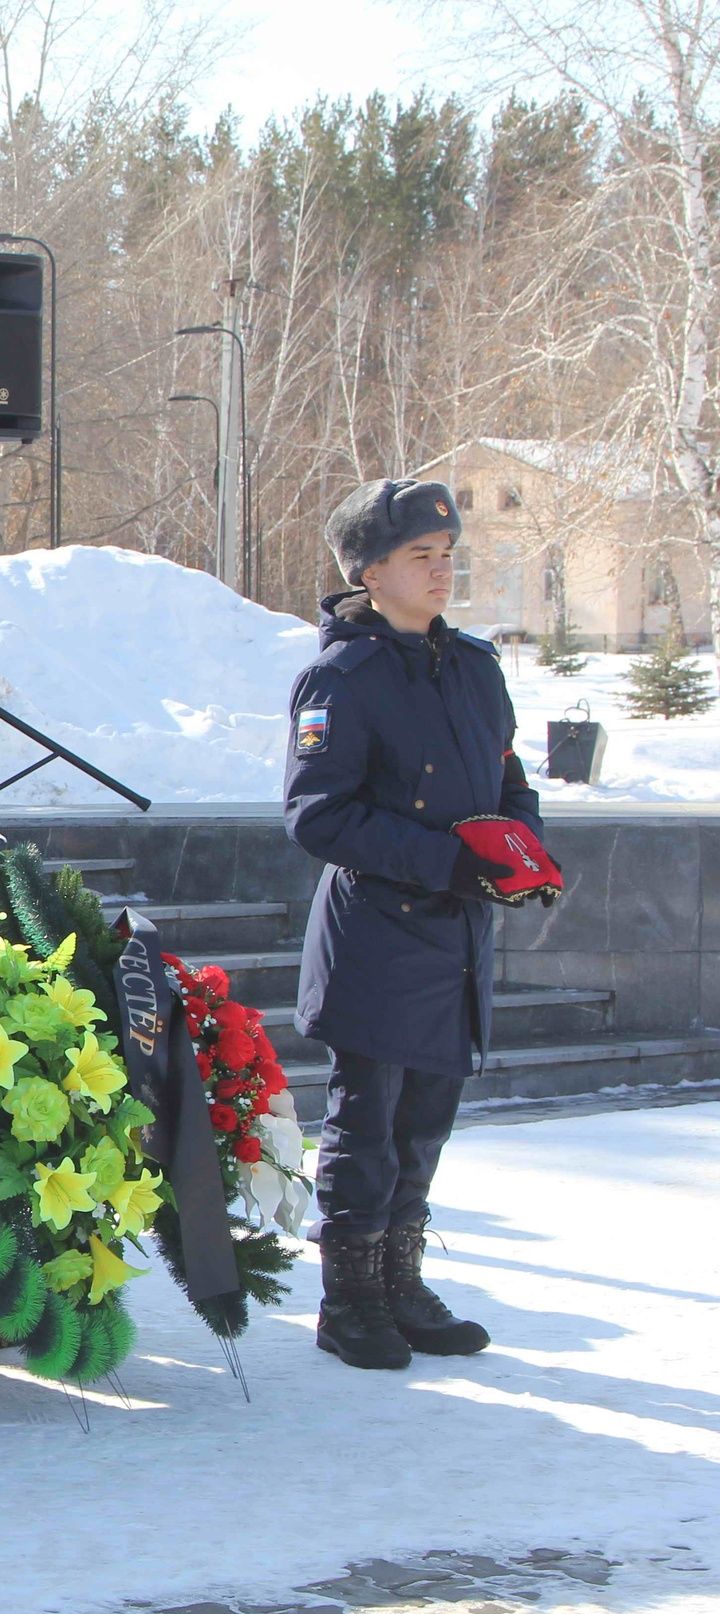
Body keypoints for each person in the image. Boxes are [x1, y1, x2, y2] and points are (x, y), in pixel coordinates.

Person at [287, 477, 542, 1373]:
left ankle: (401, 1282)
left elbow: (508, 781)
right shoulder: (340, 676)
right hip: (379, 932)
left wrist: (521, 854)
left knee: (426, 1119)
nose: (442, 570)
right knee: (367, 1123)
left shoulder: (473, 665)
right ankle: (350, 1299)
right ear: (367, 571)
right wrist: (450, 862)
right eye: (419, 557)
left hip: (457, 931)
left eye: (446, 554)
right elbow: (319, 817)